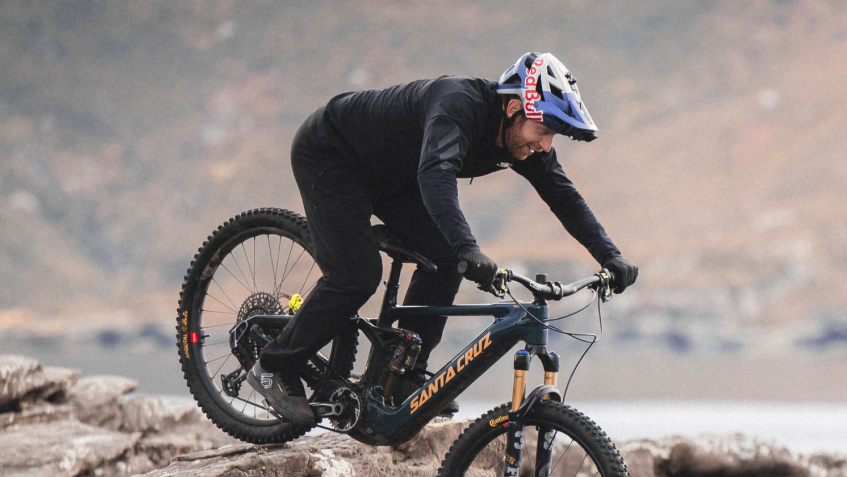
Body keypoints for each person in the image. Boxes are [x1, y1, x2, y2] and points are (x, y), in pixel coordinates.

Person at [249, 52, 638, 424]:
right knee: (357, 275)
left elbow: (565, 198)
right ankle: (271, 366)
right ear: (514, 109)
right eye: (544, 131)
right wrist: (469, 247)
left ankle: (402, 375)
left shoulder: (524, 140)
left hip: (393, 176)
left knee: (446, 261)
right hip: (333, 154)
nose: (546, 145)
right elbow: (436, 175)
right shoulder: (460, 104)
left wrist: (610, 256)